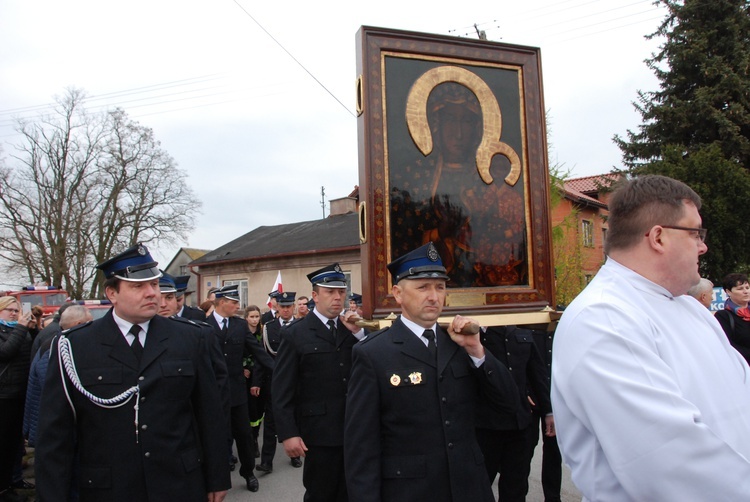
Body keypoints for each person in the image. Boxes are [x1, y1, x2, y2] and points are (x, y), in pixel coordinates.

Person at [551, 175, 750, 500]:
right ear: (658, 237)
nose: (703, 245)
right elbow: (672, 463)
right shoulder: (603, 320)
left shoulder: (692, 309)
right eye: (695, 233)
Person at [35, 244, 231, 502]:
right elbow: (55, 434)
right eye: (138, 286)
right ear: (112, 293)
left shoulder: (191, 338)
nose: (152, 293)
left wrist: (217, 477)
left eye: (154, 284)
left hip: (178, 483)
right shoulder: (75, 346)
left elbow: (210, 415)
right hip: (108, 487)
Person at [344, 243, 519, 502]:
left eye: (440, 287)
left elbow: (510, 405)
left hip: (469, 488)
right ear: (398, 294)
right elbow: (362, 447)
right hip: (411, 491)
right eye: (423, 287)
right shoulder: (373, 353)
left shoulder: (462, 343)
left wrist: (478, 351)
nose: (434, 296)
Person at [390, 82, 527, 287]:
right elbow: (401, 241)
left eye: (467, 122)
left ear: (478, 128)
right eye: (451, 120)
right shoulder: (415, 177)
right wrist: (440, 233)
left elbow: (513, 232)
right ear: (435, 124)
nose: (459, 133)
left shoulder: (486, 177)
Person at [273, 263, 366, 502]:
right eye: (330, 292)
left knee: (353, 491)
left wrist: (358, 333)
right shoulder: (295, 333)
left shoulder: (351, 330)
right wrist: (288, 433)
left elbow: (366, 366)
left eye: (341, 292)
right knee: (321, 493)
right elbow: (282, 388)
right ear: (315, 295)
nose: (338, 298)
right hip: (319, 433)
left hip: (354, 429)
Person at [205, 284, 274, 493]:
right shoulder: (203, 326)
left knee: (244, 435)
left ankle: (248, 473)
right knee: (215, 437)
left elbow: (256, 351)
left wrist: (278, 371)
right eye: (234, 302)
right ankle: (215, 477)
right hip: (212, 392)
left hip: (236, 392)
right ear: (221, 302)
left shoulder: (239, 326)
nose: (238, 306)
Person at [475, 325, 552, 502]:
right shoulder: (478, 332)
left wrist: (548, 411)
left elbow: (536, 373)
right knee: (480, 486)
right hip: (485, 425)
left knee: (516, 488)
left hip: (520, 424)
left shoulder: (522, 330)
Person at [24, 305, 93, 451]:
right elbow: (54, 389)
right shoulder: (56, 347)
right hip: (53, 426)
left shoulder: (60, 343)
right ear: (79, 325)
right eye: (90, 323)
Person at [255, 291, 299, 473]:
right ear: (277, 308)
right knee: (271, 423)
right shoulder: (268, 328)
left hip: (296, 381)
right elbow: (262, 356)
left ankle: (296, 455)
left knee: (295, 419)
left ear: (293, 307)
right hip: (274, 381)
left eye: (289, 307)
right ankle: (267, 461)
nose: (286, 310)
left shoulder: (301, 326)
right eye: (283, 307)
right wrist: (256, 382)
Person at [0, 296, 35, 502]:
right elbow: (5, 352)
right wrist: (21, 328)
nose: (14, 313)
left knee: (14, 444)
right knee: (3, 444)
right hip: (3, 395)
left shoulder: (18, 328)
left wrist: (31, 328)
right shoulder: (12, 329)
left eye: (16, 310)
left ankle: (10, 481)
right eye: (9, 310)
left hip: (19, 393)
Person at [526, 328, 563, 502]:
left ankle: (552, 497)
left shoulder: (562, 331)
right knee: (525, 449)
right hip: (531, 398)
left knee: (554, 451)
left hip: (556, 399)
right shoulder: (527, 328)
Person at [714, 273, 750, 363]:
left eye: (747, 288)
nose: (745, 291)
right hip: (743, 366)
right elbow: (728, 345)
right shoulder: (723, 316)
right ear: (728, 292)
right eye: (740, 289)